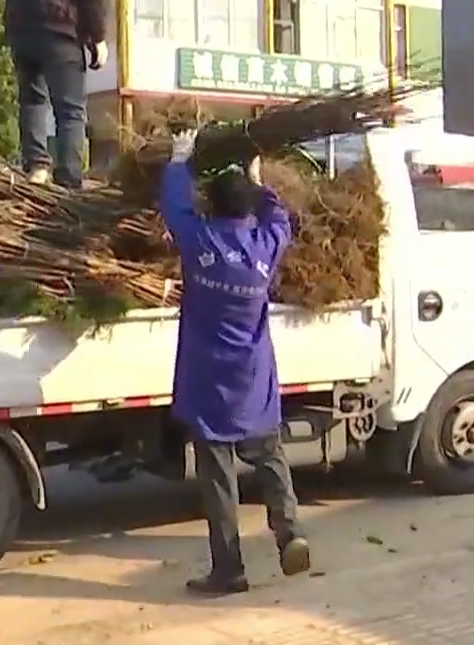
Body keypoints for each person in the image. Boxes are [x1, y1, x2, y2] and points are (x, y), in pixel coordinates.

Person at [158, 129, 312, 596]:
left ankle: (229, 569)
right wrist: (258, 179)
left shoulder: (201, 242)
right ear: (248, 209)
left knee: (218, 478)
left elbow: (174, 208)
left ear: (212, 207)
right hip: (253, 376)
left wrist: (180, 158)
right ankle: (289, 533)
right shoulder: (265, 247)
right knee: (271, 457)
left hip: (209, 379)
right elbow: (280, 217)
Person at [2, 0, 116, 188]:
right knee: (71, 110)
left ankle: (37, 168)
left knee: (32, 100)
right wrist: (97, 36)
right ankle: (68, 181)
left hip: (22, 26)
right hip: (60, 27)